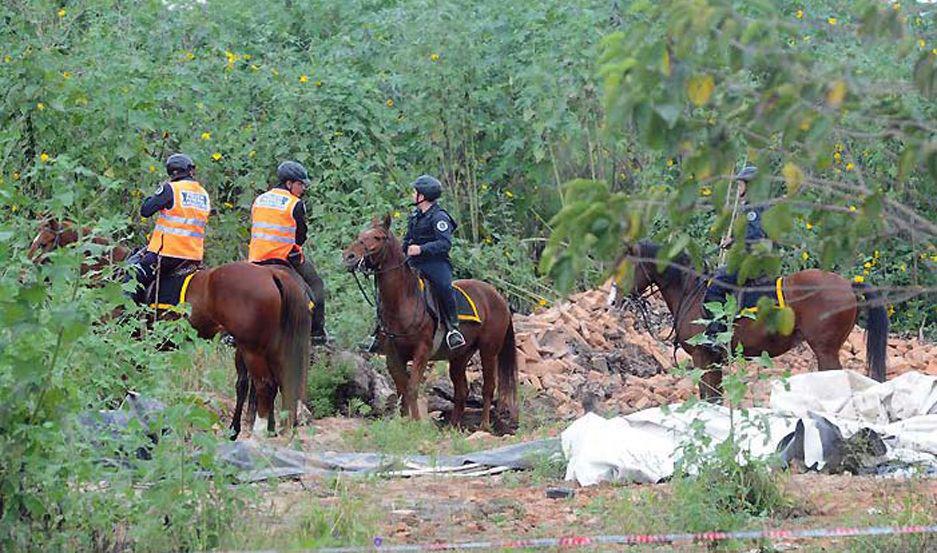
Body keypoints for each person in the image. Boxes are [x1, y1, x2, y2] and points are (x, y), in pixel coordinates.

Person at [248, 160, 328, 344]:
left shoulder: (259, 200)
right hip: (284, 259)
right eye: (300, 184)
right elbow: (301, 237)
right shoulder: (295, 204)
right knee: (316, 285)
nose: (303, 188)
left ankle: (230, 333)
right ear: (289, 183)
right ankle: (317, 334)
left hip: (256, 259)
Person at [127, 153, 209, 304]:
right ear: (190, 170)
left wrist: (153, 198)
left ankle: (127, 316)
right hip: (193, 256)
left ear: (172, 172)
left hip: (167, 254)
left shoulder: (171, 189)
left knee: (132, 274)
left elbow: (146, 210)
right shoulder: (203, 194)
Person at [702, 165, 767, 350]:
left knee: (715, 287)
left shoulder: (753, 207)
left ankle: (717, 336)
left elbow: (754, 237)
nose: (738, 188)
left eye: (740, 184)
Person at [402, 175, 465, 350]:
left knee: (444, 286)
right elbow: (407, 241)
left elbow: (445, 243)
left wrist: (421, 249)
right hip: (414, 262)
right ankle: (379, 330)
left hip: (435, 263)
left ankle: (453, 329)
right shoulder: (415, 216)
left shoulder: (439, 217)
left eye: (415, 191)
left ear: (422, 196)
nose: (412, 194)